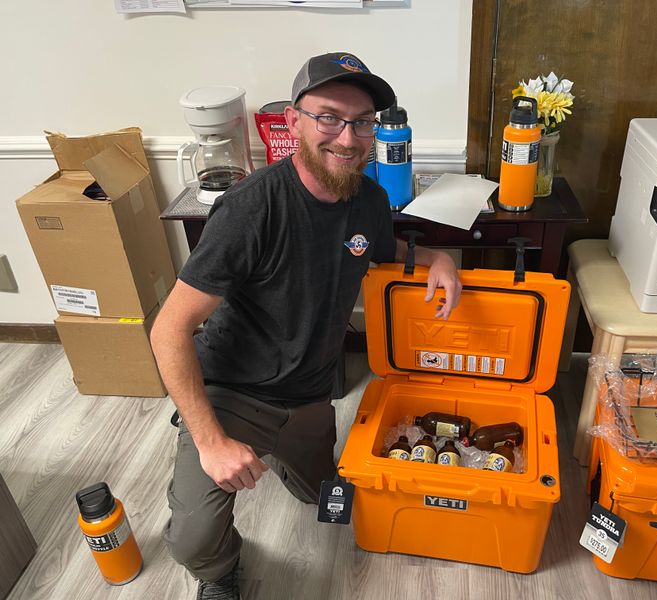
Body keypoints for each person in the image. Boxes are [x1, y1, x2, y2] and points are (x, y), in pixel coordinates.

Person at [150, 51, 462, 600]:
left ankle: (291, 460)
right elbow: (167, 329)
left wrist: (440, 258)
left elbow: (386, 256)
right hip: (233, 391)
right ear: (293, 122)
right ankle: (220, 571)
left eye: (362, 121)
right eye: (328, 117)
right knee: (193, 541)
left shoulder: (368, 197)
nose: (347, 137)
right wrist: (211, 441)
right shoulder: (251, 210)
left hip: (314, 394)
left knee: (326, 495)